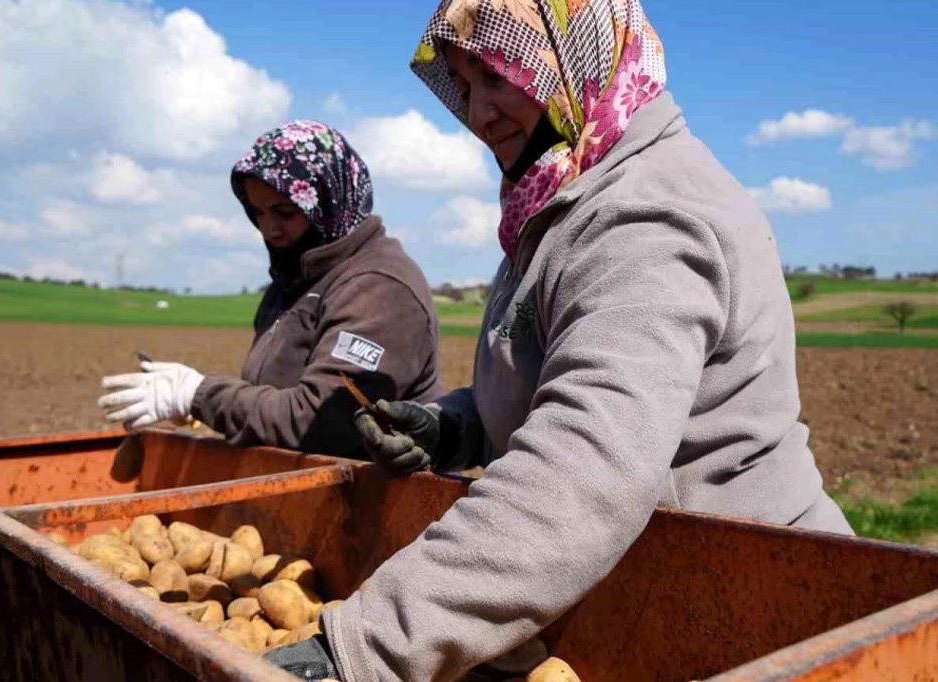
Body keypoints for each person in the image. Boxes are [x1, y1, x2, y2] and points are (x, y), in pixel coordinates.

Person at [263, 2, 853, 681]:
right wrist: (455, 427)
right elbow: (559, 376)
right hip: (649, 592)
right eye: (466, 84)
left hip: (750, 606)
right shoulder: (564, 197)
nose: (479, 113)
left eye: (497, 74)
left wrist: (360, 652)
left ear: (573, 55)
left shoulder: (644, 217)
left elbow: (585, 470)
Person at [97, 120, 442, 457]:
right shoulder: (295, 278)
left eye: (285, 212)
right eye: (257, 212)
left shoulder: (380, 288)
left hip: (372, 492)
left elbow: (320, 423)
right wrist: (205, 408)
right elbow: (271, 396)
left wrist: (198, 396)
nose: (268, 229)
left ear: (329, 200)